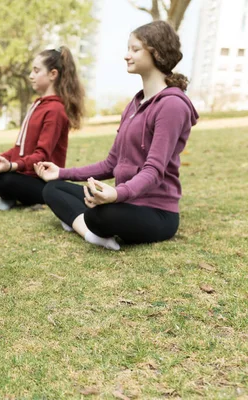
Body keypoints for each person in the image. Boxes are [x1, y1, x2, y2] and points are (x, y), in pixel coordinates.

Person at [35, 21, 199, 250]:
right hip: (125, 200)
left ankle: (84, 224)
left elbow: (154, 169)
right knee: (53, 188)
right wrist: (62, 172)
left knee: (100, 216)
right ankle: (90, 233)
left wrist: (116, 194)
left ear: (157, 53)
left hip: (156, 211)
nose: (126, 55)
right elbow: (112, 163)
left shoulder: (172, 106)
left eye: (135, 49)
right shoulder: (134, 104)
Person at [0, 46, 84, 211]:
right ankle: (0, 199)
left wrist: (11, 167)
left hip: (41, 181)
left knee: (3, 180)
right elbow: (19, 149)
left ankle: (13, 195)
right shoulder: (38, 104)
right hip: (22, 175)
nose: (31, 76)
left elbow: (41, 155)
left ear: (53, 74)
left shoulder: (55, 110)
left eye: (36, 71)